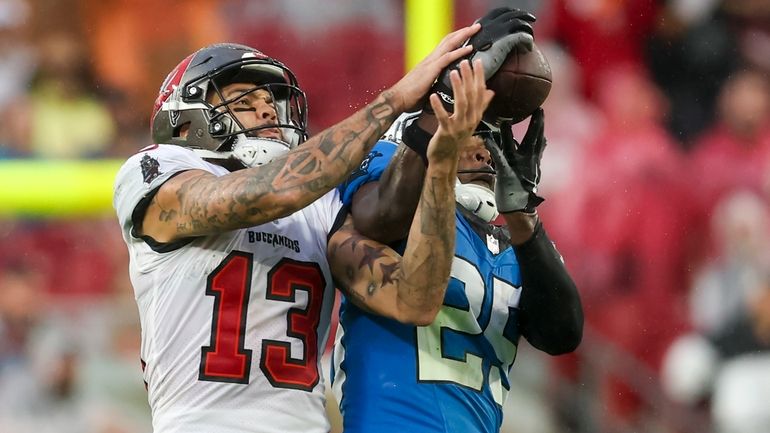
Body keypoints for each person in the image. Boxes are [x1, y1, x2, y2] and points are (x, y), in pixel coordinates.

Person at [112, 32, 495, 433]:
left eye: (270, 102)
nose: (266, 112)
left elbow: (414, 300)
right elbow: (269, 193)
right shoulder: (157, 168)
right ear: (186, 120)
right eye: (244, 102)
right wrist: (396, 99)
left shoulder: (320, 205)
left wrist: (440, 164)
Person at [332, 106, 584, 432]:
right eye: (471, 137)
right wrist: (434, 155)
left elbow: (563, 334)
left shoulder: (517, 248)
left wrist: (524, 218)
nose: (485, 155)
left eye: (494, 145)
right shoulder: (399, 198)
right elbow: (382, 213)